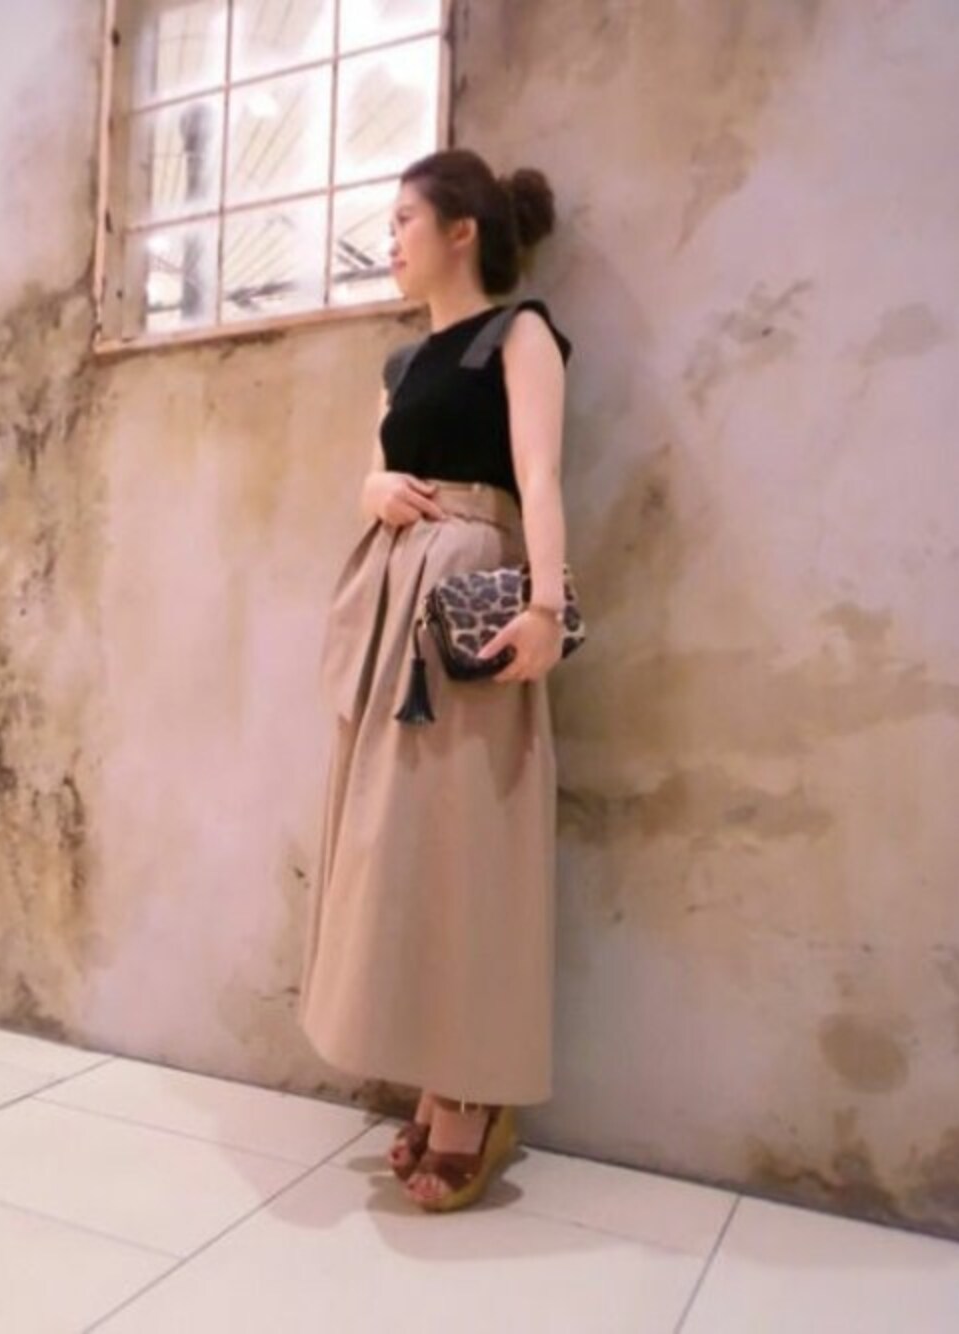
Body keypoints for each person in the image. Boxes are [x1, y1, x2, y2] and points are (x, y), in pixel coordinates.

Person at [298, 146, 573, 1212]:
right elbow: (376, 465)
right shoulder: (402, 365)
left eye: (404, 220)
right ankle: (429, 1072)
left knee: (469, 845)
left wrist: (545, 605)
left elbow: (539, 474)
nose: (391, 241)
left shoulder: (521, 334)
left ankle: (472, 1090)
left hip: (467, 613)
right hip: (388, 613)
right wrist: (370, 487)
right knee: (403, 845)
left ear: (463, 231)